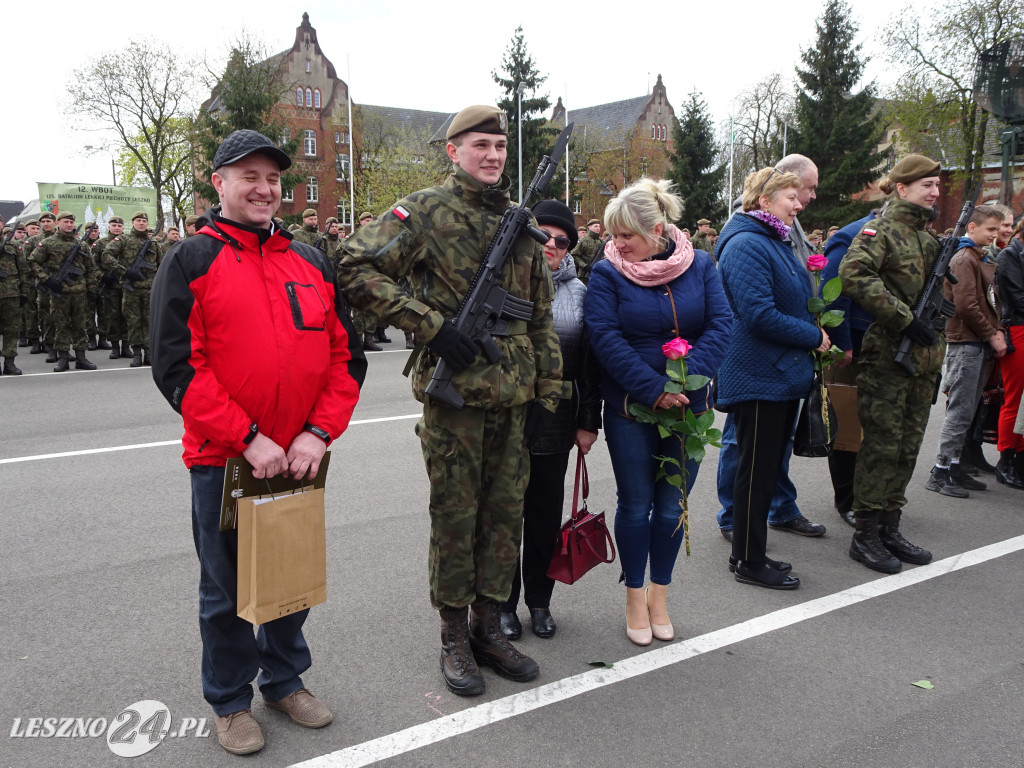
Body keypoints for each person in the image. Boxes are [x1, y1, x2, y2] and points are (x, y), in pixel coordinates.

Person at [150, 129, 366, 756]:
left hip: (299, 456)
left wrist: (318, 433)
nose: (264, 188)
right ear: (219, 184)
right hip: (224, 460)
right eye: (249, 176)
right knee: (224, 590)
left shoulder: (310, 261)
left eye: (272, 178)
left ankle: (284, 680)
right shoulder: (191, 259)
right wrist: (247, 438)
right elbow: (176, 367)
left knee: (287, 577)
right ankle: (229, 701)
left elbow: (346, 359)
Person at [337, 105, 563, 697]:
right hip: (456, 396)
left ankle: (490, 629)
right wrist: (432, 325)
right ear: (453, 151)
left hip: (512, 397)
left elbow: (541, 318)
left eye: (499, 145)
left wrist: (551, 390)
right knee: (457, 520)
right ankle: (454, 636)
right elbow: (354, 266)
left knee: (502, 519)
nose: (492, 155)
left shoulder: (520, 224)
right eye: (480, 144)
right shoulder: (426, 209)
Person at [586, 178, 731, 641]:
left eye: (626, 235)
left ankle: (659, 594)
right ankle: (633, 594)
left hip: (691, 407)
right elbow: (605, 338)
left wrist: (688, 382)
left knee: (673, 507)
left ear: (655, 228)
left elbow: (722, 323)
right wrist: (655, 389)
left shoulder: (702, 264)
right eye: (613, 234)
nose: (617, 244)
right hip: (632, 409)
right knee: (636, 506)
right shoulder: (607, 273)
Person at [716, 166, 827, 590]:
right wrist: (813, 336)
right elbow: (758, 314)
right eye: (790, 198)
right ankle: (747, 559)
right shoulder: (746, 243)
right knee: (755, 472)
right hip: (758, 375)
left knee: (764, 471)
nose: (798, 205)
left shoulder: (770, 239)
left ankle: (754, 551)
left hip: (777, 373)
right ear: (764, 200)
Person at [500, 200, 601, 641]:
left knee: (543, 517)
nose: (552, 246)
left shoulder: (581, 294)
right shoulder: (503, 283)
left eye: (562, 240)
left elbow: (591, 366)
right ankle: (502, 604)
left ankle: (539, 602)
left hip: (556, 425)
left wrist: (588, 422)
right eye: (544, 236)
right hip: (505, 422)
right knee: (504, 517)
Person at [839, 154, 946, 574]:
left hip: (923, 359)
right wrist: (905, 318)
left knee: (908, 446)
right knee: (881, 446)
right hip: (888, 356)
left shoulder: (929, 239)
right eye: (927, 185)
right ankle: (864, 534)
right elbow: (854, 275)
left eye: (937, 186)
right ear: (902, 188)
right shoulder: (879, 230)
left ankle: (889, 525)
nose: (935, 192)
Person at [924, 206, 1005, 498]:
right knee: (959, 411)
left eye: (997, 230)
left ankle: (956, 466)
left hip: (975, 341)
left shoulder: (975, 256)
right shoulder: (964, 258)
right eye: (991, 230)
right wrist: (992, 334)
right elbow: (966, 305)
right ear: (972, 227)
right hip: (966, 342)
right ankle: (940, 470)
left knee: (968, 410)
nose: (995, 235)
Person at [820, 209, 879, 526]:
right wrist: (842, 342)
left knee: (876, 426)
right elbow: (833, 291)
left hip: (884, 345)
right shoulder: (851, 235)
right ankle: (847, 500)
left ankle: (871, 496)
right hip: (853, 345)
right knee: (846, 425)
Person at [30, 212, 101, 372]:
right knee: (60, 325)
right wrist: (46, 279)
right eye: (65, 222)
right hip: (58, 292)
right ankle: (63, 358)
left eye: (71, 222)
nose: (69, 225)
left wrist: (91, 289)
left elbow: (91, 268)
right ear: (58, 223)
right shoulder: (48, 243)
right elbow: (33, 262)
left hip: (79, 292)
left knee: (80, 326)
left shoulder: (81, 245)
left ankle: (81, 357)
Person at [101, 211, 161, 367]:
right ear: (133, 223)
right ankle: (136, 353)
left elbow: (162, 265)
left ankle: (148, 353)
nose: (142, 223)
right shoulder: (123, 239)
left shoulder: (153, 243)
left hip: (149, 289)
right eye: (138, 220)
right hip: (131, 289)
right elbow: (106, 255)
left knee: (149, 320)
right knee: (133, 321)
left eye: (144, 221)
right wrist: (124, 271)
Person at [994, 216, 1024, 488]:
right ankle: (1006, 458)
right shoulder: (1010, 255)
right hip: (1017, 329)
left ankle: (1019, 458)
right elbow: (1017, 297)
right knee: (1014, 398)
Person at [0, 225, 29, 374]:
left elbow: (23, 269)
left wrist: (24, 292)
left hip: (11, 294)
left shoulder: (13, 245)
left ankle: (9, 363)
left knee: (11, 329)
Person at [571, 218, 603, 284]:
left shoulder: (601, 241)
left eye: (599, 226)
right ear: (589, 227)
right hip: (584, 275)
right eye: (595, 226)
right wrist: (585, 266)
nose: (598, 228)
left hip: (599, 274)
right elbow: (574, 255)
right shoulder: (583, 240)